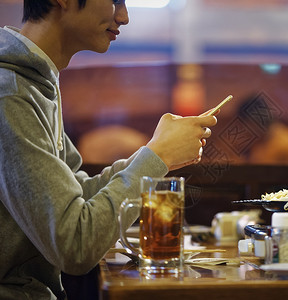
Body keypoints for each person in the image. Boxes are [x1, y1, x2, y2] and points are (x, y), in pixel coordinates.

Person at [0, 0, 217, 299]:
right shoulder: (10, 94)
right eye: (115, 0)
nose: (124, 16)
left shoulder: (36, 83)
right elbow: (75, 245)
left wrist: (154, 155)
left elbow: (79, 193)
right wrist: (158, 157)